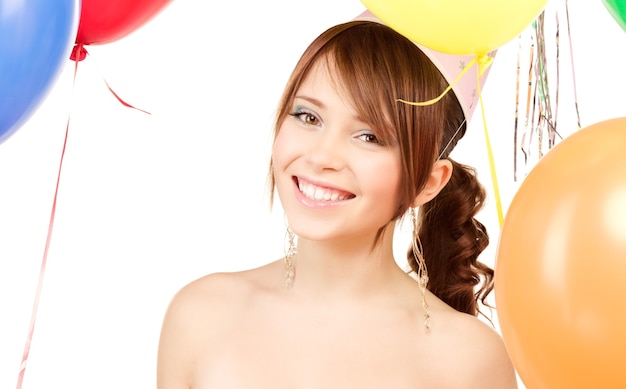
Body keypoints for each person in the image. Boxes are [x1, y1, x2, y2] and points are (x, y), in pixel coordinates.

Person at [157, 10, 518, 389]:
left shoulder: (471, 359)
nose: (321, 157)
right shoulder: (201, 315)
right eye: (308, 117)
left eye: (369, 136)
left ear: (427, 183)